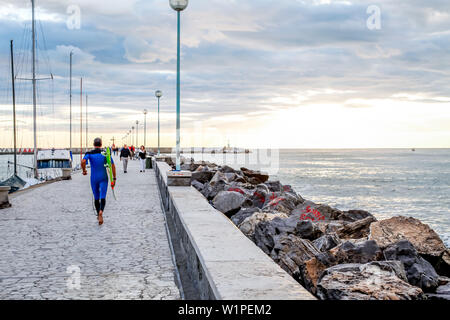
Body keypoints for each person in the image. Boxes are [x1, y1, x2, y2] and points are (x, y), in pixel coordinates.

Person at [81, 138, 116, 225]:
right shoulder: (105, 153)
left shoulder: (89, 153)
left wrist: (84, 170)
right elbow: (112, 165)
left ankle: (98, 214)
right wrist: (114, 178)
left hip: (94, 178)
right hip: (103, 177)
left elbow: (83, 161)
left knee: (96, 197)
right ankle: (101, 211)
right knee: (103, 196)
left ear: (94, 144)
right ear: (101, 144)